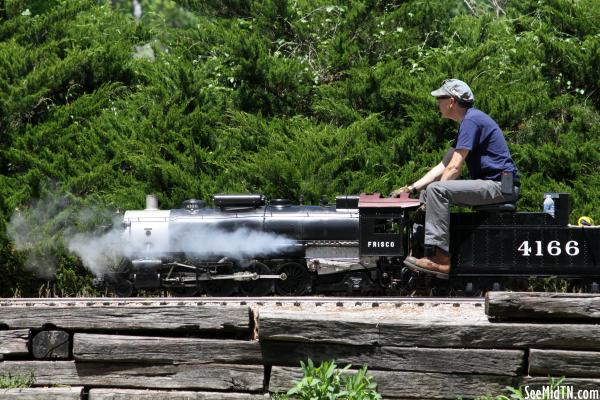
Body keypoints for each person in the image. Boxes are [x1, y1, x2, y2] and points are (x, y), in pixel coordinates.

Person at [391, 79, 520, 279]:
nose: (437, 103)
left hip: (501, 186)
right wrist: (412, 188)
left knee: (436, 190)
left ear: (451, 101)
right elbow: (443, 165)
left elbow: (454, 167)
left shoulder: (471, 121)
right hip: (497, 184)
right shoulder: (468, 122)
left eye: (439, 99)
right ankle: (421, 250)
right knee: (431, 191)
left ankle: (440, 260)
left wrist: (431, 195)